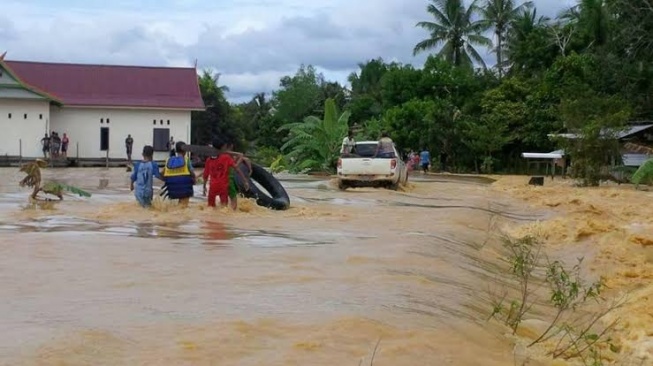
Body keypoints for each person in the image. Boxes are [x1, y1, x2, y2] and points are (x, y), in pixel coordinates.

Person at [202, 138, 249, 209]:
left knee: (210, 207)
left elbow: (205, 174)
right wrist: (245, 181)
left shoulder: (209, 160)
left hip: (212, 186)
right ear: (223, 147)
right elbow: (237, 168)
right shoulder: (226, 158)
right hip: (223, 186)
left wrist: (204, 186)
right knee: (224, 207)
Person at [162, 141, 196, 206]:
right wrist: (194, 181)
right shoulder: (186, 160)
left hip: (172, 190)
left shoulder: (168, 160)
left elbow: (161, 174)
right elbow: (192, 174)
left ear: (176, 151)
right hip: (184, 189)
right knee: (183, 206)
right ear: (185, 151)